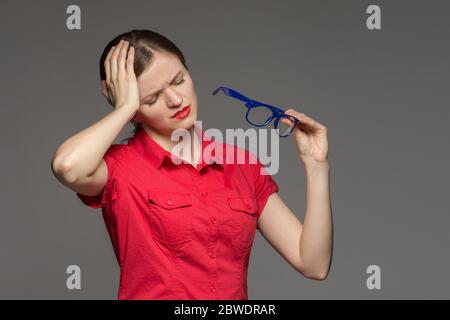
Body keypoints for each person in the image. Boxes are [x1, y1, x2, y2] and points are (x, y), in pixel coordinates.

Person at [51, 29, 333, 300]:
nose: (175, 100)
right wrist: (124, 107)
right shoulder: (119, 168)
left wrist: (315, 165)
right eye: (152, 98)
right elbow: (68, 166)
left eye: (178, 80)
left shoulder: (243, 165)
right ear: (135, 109)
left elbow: (313, 264)